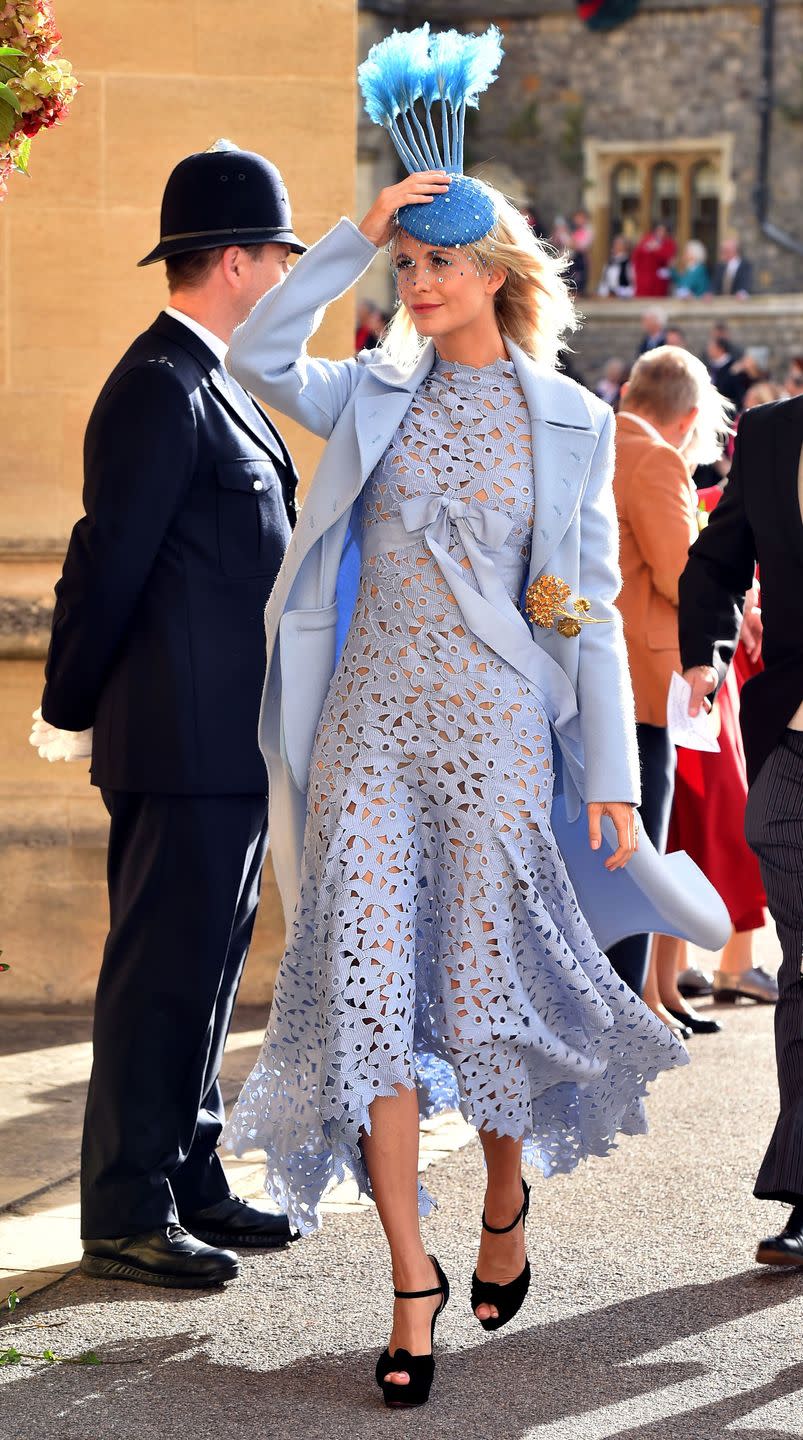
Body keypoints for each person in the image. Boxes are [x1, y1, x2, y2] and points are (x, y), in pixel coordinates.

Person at [222, 26, 729, 1410]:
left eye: (440, 260)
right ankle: (407, 1277)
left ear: (499, 273)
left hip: (498, 742)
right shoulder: (366, 395)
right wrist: (348, 229)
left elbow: (565, 606)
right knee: (375, 1007)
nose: (419, 280)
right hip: (364, 745)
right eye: (408, 263)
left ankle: (501, 1199)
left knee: (480, 1005)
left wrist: (604, 762)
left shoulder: (564, 419)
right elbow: (257, 348)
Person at [29, 144, 303, 1288]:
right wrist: (67, 703)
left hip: (224, 743)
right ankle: (127, 1207)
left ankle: (188, 1174)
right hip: (179, 741)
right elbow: (108, 561)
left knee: (204, 968)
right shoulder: (158, 384)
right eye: (280, 258)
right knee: (159, 977)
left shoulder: (213, 381)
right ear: (233, 262)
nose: (287, 276)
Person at [679, 390, 803, 1268]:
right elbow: (716, 562)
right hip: (793, 747)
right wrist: (702, 656)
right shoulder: (766, 435)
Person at [606, 347, 732, 1004]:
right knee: (636, 863)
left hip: (594, 676)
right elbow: (683, 576)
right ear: (687, 420)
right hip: (641, 686)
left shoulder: (600, 437)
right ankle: (624, 1012)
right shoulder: (653, 458)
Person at [707, 330, 751, 411]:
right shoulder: (711, 366)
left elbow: (738, 395)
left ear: (720, 349)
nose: (709, 350)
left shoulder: (734, 368)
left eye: (712, 347)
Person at [632, 224, 676, 299]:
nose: (660, 233)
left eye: (663, 231)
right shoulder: (646, 240)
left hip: (659, 281)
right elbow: (636, 256)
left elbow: (668, 258)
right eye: (659, 230)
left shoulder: (669, 243)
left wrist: (656, 249)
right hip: (643, 278)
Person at [597, 234, 634, 298]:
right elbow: (604, 281)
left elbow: (632, 282)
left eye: (620, 244)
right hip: (608, 296)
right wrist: (604, 292)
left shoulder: (628, 263)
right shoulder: (609, 262)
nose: (617, 246)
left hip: (623, 296)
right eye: (616, 244)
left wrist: (620, 292)